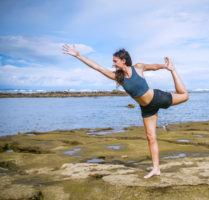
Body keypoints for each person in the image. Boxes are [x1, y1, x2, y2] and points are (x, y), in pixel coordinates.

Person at [62, 44, 189, 178]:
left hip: (157, 98)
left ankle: (174, 71)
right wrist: (78, 56)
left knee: (185, 96)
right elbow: (98, 67)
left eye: (115, 61)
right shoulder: (119, 78)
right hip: (146, 108)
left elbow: (154, 67)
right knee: (150, 137)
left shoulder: (138, 67)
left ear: (123, 60)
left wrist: (166, 67)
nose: (113, 64)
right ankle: (156, 168)